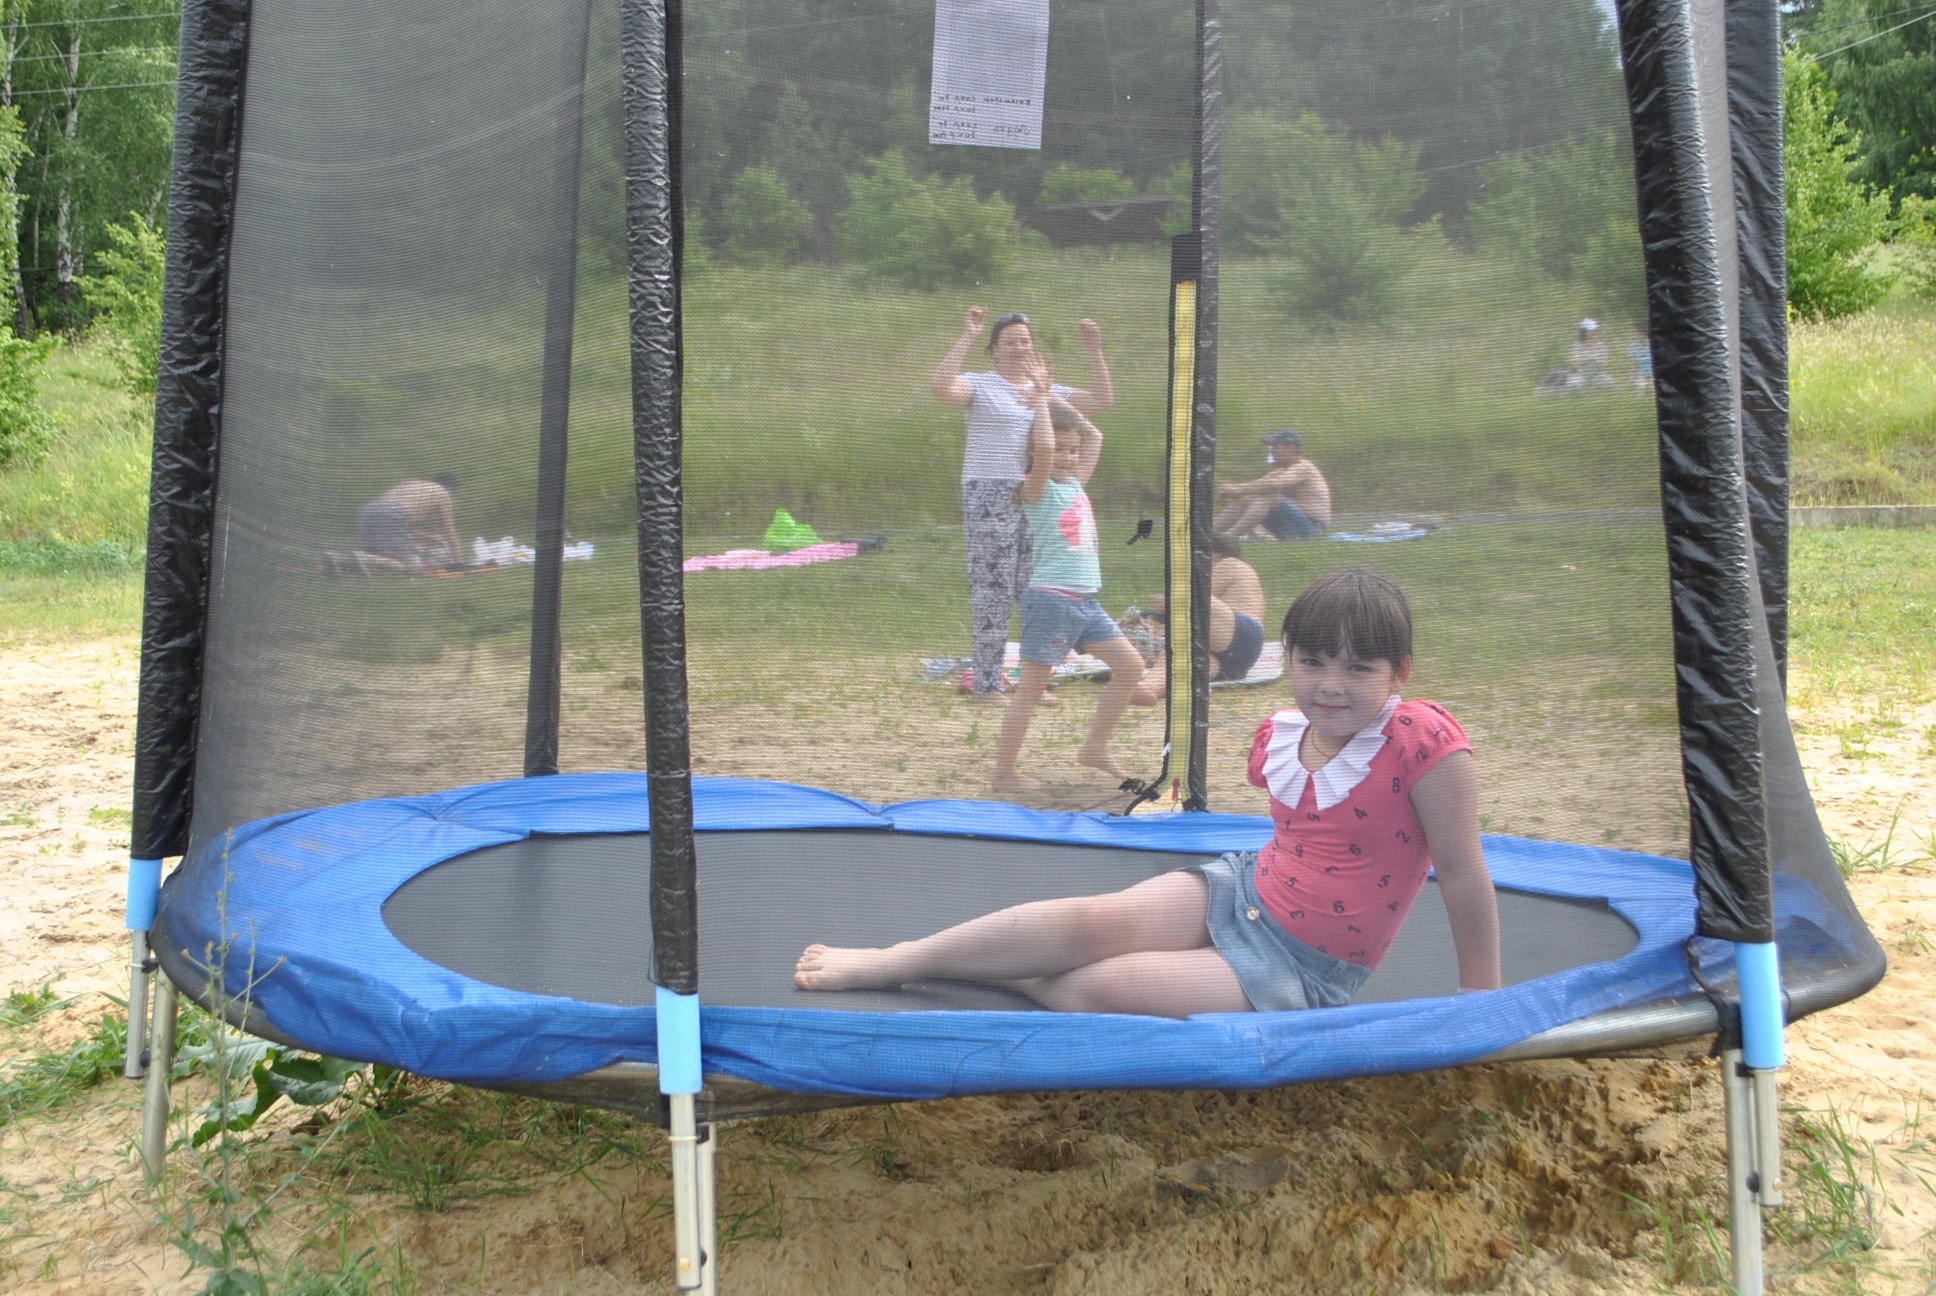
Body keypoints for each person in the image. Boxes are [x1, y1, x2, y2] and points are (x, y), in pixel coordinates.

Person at [796, 567, 1503, 1015]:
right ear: (1286, 659)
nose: (1330, 685)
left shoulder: (1422, 744)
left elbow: (1463, 871)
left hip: (1298, 966)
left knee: (1099, 987)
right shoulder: (1283, 734)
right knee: (1091, 922)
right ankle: (895, 960)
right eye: (1313, 662)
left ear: (1400, 673)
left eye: (1358, 669)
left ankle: (1011, 975)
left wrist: (1481, 996)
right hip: (1241, 891)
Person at [932, 307, 1114, 703]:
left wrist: (1094, 350)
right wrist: (967, 335)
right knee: (993, 591)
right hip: (990, 494)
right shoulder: (981, 384)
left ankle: (1033, 682)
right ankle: (987, 685)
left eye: (1025, 341)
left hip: (1042, 495)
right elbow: (941, 387)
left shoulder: (1047, 389)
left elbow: (1101, 401)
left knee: (1038, 590)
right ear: (995, 349)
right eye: (1010, 342)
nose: (1019, 347)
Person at [990, 387, 1147, 793]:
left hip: (1085, 603)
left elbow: (1095, 435)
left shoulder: (1075, 484)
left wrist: (1053, 402)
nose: (1069, 456)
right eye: (1061, 450)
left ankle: (1095, 747)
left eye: (1073, 451)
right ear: (1035, 451)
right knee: (1031, 689)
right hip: (1051, 600)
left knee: (1132, 667)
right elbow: (1043, 447)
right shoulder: (1036, 486)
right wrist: (1042, 404)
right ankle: (1004, 774)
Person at [1129, 533, 1268, 704]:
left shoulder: (1231, 564)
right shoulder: (1239, 572)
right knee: (1178, 655)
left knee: (1189, 599)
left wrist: (1163, 601)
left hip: (1242, 631)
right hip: (1237, 660)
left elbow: (1191, 597)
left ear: (1214, 554)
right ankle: (1148, 688)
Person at [1212, 429, 1332, 542]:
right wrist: (1229, 492)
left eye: (1275, 446)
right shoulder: (1279, 472)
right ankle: (1210, 533)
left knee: (1271, 496)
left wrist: (1236, 490)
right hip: (1289, 528)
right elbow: (1258, 487)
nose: (1271, 451)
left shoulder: (1304, 467)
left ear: (1290, 449)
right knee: (1247, 498)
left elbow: (1271, 485)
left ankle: (1228, 537)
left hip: (1312, 529)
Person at [354, 474, 462, 573]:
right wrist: (458, 561)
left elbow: (403, 527)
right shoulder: (442, 493)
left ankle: (350, 559)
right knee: (411, 566)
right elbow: (449, 530)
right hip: (393, 512)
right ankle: (363, 557)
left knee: (376, 560)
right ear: (450, 490)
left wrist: (429, 538)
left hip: (371, 509)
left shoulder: (414, 484)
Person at [1570, 319, 1617, 390]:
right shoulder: (1577, 345)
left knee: (1611, 384)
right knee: (1574, 385)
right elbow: (1576, 361)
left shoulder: (1602, 346)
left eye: (1595, 330)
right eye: (1590, 331)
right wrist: (1586, 360)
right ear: (1584, 332)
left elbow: (1604, 363)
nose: (1594, 333)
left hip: (1598, 375)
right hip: (1582, 375)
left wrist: (1596, 360)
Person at [1628, 319, 1654, 393]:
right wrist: (1632, 378)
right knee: (1641, 389)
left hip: (1653, 373)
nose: (1633, 333)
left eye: (1635, 331)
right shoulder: (1634, 345)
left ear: (1643, 333)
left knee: (1653, 387)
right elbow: (1635, 363)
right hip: (1641, 374)